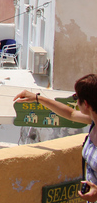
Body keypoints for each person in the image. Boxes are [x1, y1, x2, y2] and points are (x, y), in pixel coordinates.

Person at [14, 74, 97, 202]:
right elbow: (70, 113)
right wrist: (37, 98)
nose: (75, 100)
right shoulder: (93, 122)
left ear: (85, 103)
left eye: (76, 97)